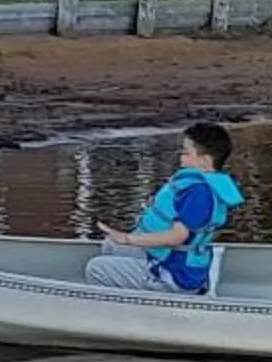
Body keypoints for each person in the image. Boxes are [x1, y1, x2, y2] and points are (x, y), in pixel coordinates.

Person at [85, 121, 245, 292]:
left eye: (186, 153)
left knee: (95, 269)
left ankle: (139, 308)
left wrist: (128, 238)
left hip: (174, 275)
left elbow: (177, 237)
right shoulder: (197, 186)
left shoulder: (199, 193)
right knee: (110, 246)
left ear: (205, 161)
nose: (181, 157)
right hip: (166, 258)